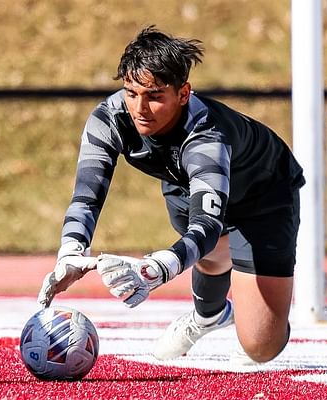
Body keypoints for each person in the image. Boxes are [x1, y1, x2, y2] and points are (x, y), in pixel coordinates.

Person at [37, 26, 304, 364]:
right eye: (131, 93)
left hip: (264, 195)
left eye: (155, 96)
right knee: (203, 249)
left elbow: (206, 225)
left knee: (260, 346)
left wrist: (155, 270)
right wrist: (70, 252)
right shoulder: (109, 118)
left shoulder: (206, 137)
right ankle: (207, 316)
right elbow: (87, 196)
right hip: (186, 186)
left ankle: (240, 258)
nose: (140, 108)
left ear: (183, 94)